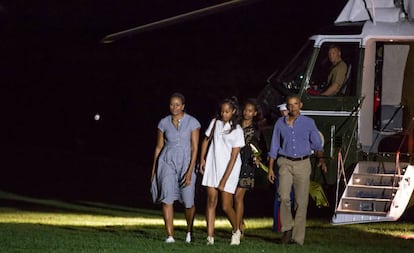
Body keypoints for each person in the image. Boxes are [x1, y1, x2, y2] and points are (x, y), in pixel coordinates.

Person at [267, 95, 327, 245]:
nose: (292, 107)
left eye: (295, 104)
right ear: (286, 107)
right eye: (289, 105)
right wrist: (270, 168)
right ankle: (287, 229)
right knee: (284, 196)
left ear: (300, 105)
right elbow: (274, 146)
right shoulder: (280, 124)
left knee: (301, 202)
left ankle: (298, 237)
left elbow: (317, 144)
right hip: (285, 162)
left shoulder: (308, 123)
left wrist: (321, 159)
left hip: (302, 163)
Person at [150, 92, 200, 244]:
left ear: (183, 106)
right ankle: (170, 236)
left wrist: (190, 171)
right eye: (172, 104)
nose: (174, 107)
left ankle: (189, 230)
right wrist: (153, 169)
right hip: (166, 161)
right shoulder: (163, 123)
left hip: (186, 162)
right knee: (167, 198)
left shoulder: (193, 122)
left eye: (177, 105)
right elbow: (159, 147)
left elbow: (195, 148)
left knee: (188, 201)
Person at [199, 97, 245, 246]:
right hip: (213, 165)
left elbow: (234, 157)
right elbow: (206, 140)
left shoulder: (237, 130)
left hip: (229, 169)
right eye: (222, 111)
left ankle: (236, 230)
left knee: (226, 205)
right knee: (211, 200)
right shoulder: (215, 123)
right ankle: (209, 237)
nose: (224, 114)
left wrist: (224, 180)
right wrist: (202, 159)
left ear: (233, 111)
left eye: (227, 111)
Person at [234, 99, 263, 238]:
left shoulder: (255, 130)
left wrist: (257, 157)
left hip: (246, 164)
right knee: (231, 197)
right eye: (245, 110)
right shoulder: (235, 125)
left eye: (250, 111)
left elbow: (258, 148)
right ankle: (239, 223)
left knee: (238, 197)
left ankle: (238, 228)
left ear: (255, 113)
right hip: (233, 163)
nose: (247, 113)